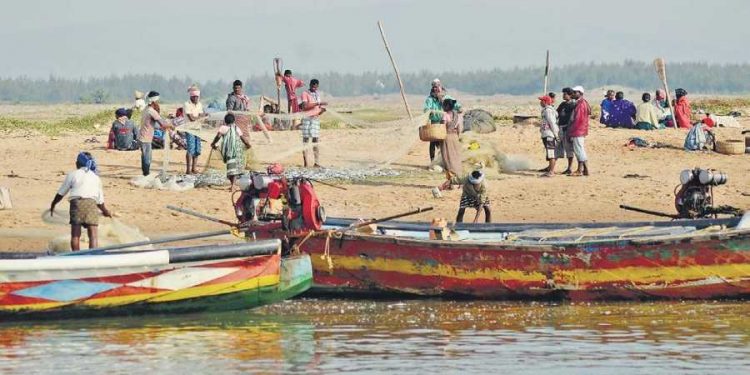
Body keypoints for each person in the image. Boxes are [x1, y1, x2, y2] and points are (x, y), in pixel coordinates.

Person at [49, 152, 112, 251]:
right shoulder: (96, 178)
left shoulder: (73, 174)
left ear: (78, 163)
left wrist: (53, 204)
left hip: (77, 204)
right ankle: (92, 256)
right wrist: (105, 211)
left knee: (75, 235)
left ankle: (76, 256)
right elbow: (100, 201)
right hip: (91, 204)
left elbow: (61, 193)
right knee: (93, 235)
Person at [211, 113, 251, 189]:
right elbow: (242, 138)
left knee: (230, 167)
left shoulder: (223, 128)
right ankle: (233, 184)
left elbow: (218, 136)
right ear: (234, 121)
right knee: (235, 168)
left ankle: (232, 185)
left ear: (225, 121)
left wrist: (213, 143)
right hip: (238, 150)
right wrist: (247, 144)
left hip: (229, 150)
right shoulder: (236, 128)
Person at [138, 91, 171, 176]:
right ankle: (146, 174)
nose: (158, 103)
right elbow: (162, 124)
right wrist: (172, 126)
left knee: (145, 156)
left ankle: (145, 173)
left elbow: (156, 123)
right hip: (145, 137)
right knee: (147, 158)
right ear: (153, 102)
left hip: (143, 136)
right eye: (157, 101)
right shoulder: (151, 111)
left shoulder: (146, 109)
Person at [300, 79, 327, 167]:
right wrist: (318, 103)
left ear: (317, 86)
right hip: (307, 119)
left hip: (315, 119)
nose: (314, 88)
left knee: (315, 140)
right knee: (306, 140)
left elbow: (318, 107)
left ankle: (316, 162)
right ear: (310, 85)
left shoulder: (317, 94)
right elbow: (304, 106)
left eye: (315, 87)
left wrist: (321, 110)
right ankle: (306, 163)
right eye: (312, 86)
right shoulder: (305, 93)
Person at [183, 85, 207, 174]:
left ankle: (194, 168)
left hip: (197, 129)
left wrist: (200, 116)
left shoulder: (199, 104)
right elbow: (191, 118)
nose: (196, 98)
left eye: (197, 97)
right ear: (191, 97)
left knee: (197, 149)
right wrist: (200, 117)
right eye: (194, 97)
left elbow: (200, 115)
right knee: (190, 149)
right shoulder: (187, 104)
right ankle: (188, 169)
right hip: (190, 129)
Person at [568, 86, 591, 176]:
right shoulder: (581, 103)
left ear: (580, 93)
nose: (573, 94)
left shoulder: (581, 104)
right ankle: (585, 170)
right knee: (580, 149)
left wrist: (571, 131)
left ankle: (580, 170)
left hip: (578, 130)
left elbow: (578, 119)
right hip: (580, 130)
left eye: (575, 92)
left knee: (579, 150)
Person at [440, 98, 463, 181]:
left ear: (446, 106)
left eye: (443, 105)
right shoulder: (458, 116)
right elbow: (459, 129)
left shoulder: (445, 115)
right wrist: (457, 137)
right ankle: (458, 179)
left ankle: (451, 182)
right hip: (455, 138)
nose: (442, 106)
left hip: (447, 138)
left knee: (447, 159)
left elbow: (442, 128)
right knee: (456, 158)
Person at [555, 87, 577, 174]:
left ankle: (569, 167)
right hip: (560, 128)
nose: (563, 95)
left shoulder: (574, 105)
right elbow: (557, 114)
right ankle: (551, 166)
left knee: (569, 149)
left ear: (570, 95)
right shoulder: (563, 104)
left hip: (568, 129)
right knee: (557, 147)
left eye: (565, 94)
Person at [538, 95, 559, 177]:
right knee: (549, 153)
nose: (540, 102)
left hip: (549, 134)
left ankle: (551, 172)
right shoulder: (545, 110)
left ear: (545, 102)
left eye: (541, 100)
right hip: (546, 134)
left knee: (551, 153)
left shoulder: (548, 111)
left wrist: (556, 135)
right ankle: (550, 170)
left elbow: (552, 123)